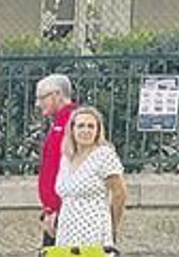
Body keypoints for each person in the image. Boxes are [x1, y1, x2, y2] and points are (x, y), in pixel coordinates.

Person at [8, 74, 79, 257]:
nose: (39, 104)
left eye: (42, 97)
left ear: (57, 95)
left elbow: (67, 169)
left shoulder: (72, 122)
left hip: (62, 209)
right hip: (55, 207)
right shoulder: (59, 123)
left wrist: (55, 209)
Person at [54, 105, 127, 248]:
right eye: (81, 126)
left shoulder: (104, 155)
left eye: (91, 126)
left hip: (93, 231)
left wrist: (112, 225)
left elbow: (120, 193)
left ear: (97, 131)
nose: (85, 131)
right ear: (72, 129)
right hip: (67, 230)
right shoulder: (67, 157)